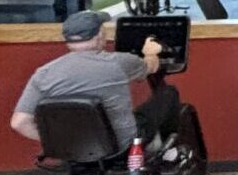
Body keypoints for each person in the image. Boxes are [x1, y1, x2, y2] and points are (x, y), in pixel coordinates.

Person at [10, 11, 180, 159]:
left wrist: (61, 141)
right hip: (123, 145)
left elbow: (19, 123)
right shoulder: (119, 62)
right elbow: (151, 66)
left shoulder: (43, 73)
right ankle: (165, 154)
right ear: (100, 35)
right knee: (168, 94)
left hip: (74, 147)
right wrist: (150, 52)